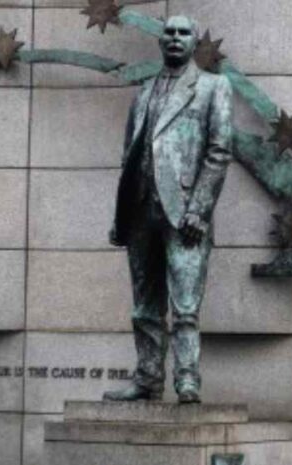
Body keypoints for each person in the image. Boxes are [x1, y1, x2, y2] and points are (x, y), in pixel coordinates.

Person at [104, 15, 233, 404]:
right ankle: (147, 378)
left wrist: (200, 210)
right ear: (160, 42)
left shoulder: (213, 87)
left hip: (185, 214)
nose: (175, 38)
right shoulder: (143, 93)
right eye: (169, 32)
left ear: (194, 42)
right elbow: (130, 155)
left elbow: (219, 151)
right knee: (144, 305)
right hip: (140, 210)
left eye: (183, 33)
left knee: (185, 306)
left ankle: (187, 380)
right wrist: (121, 214)